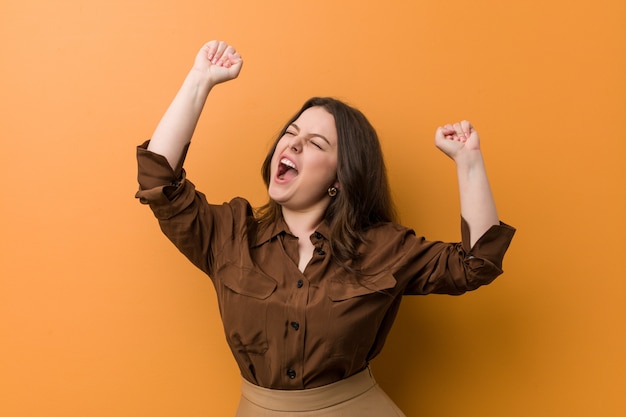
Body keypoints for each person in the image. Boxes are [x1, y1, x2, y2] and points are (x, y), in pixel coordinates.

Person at [136, 40, 515, 417]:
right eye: (291, 133)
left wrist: (469, 163)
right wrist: (200, 80)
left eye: (315, 143)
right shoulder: (229, 234)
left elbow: (476, 263)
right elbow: (159, 180)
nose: (294, 144)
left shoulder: (384, 247)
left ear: (340, 178)